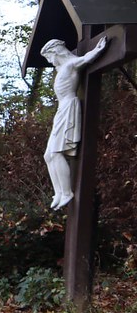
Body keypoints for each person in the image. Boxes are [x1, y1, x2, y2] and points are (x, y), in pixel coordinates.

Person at [40, 37, 108, 210]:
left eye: (50, 57)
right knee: (48, 155)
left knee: (56, 153)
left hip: (69, 107)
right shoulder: (62, 67)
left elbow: (85, 59)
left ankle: (66, 192)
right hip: (61, 109)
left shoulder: (70, 64)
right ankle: (59, 192)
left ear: (56, 52)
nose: (50, 61)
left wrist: (98, 49)